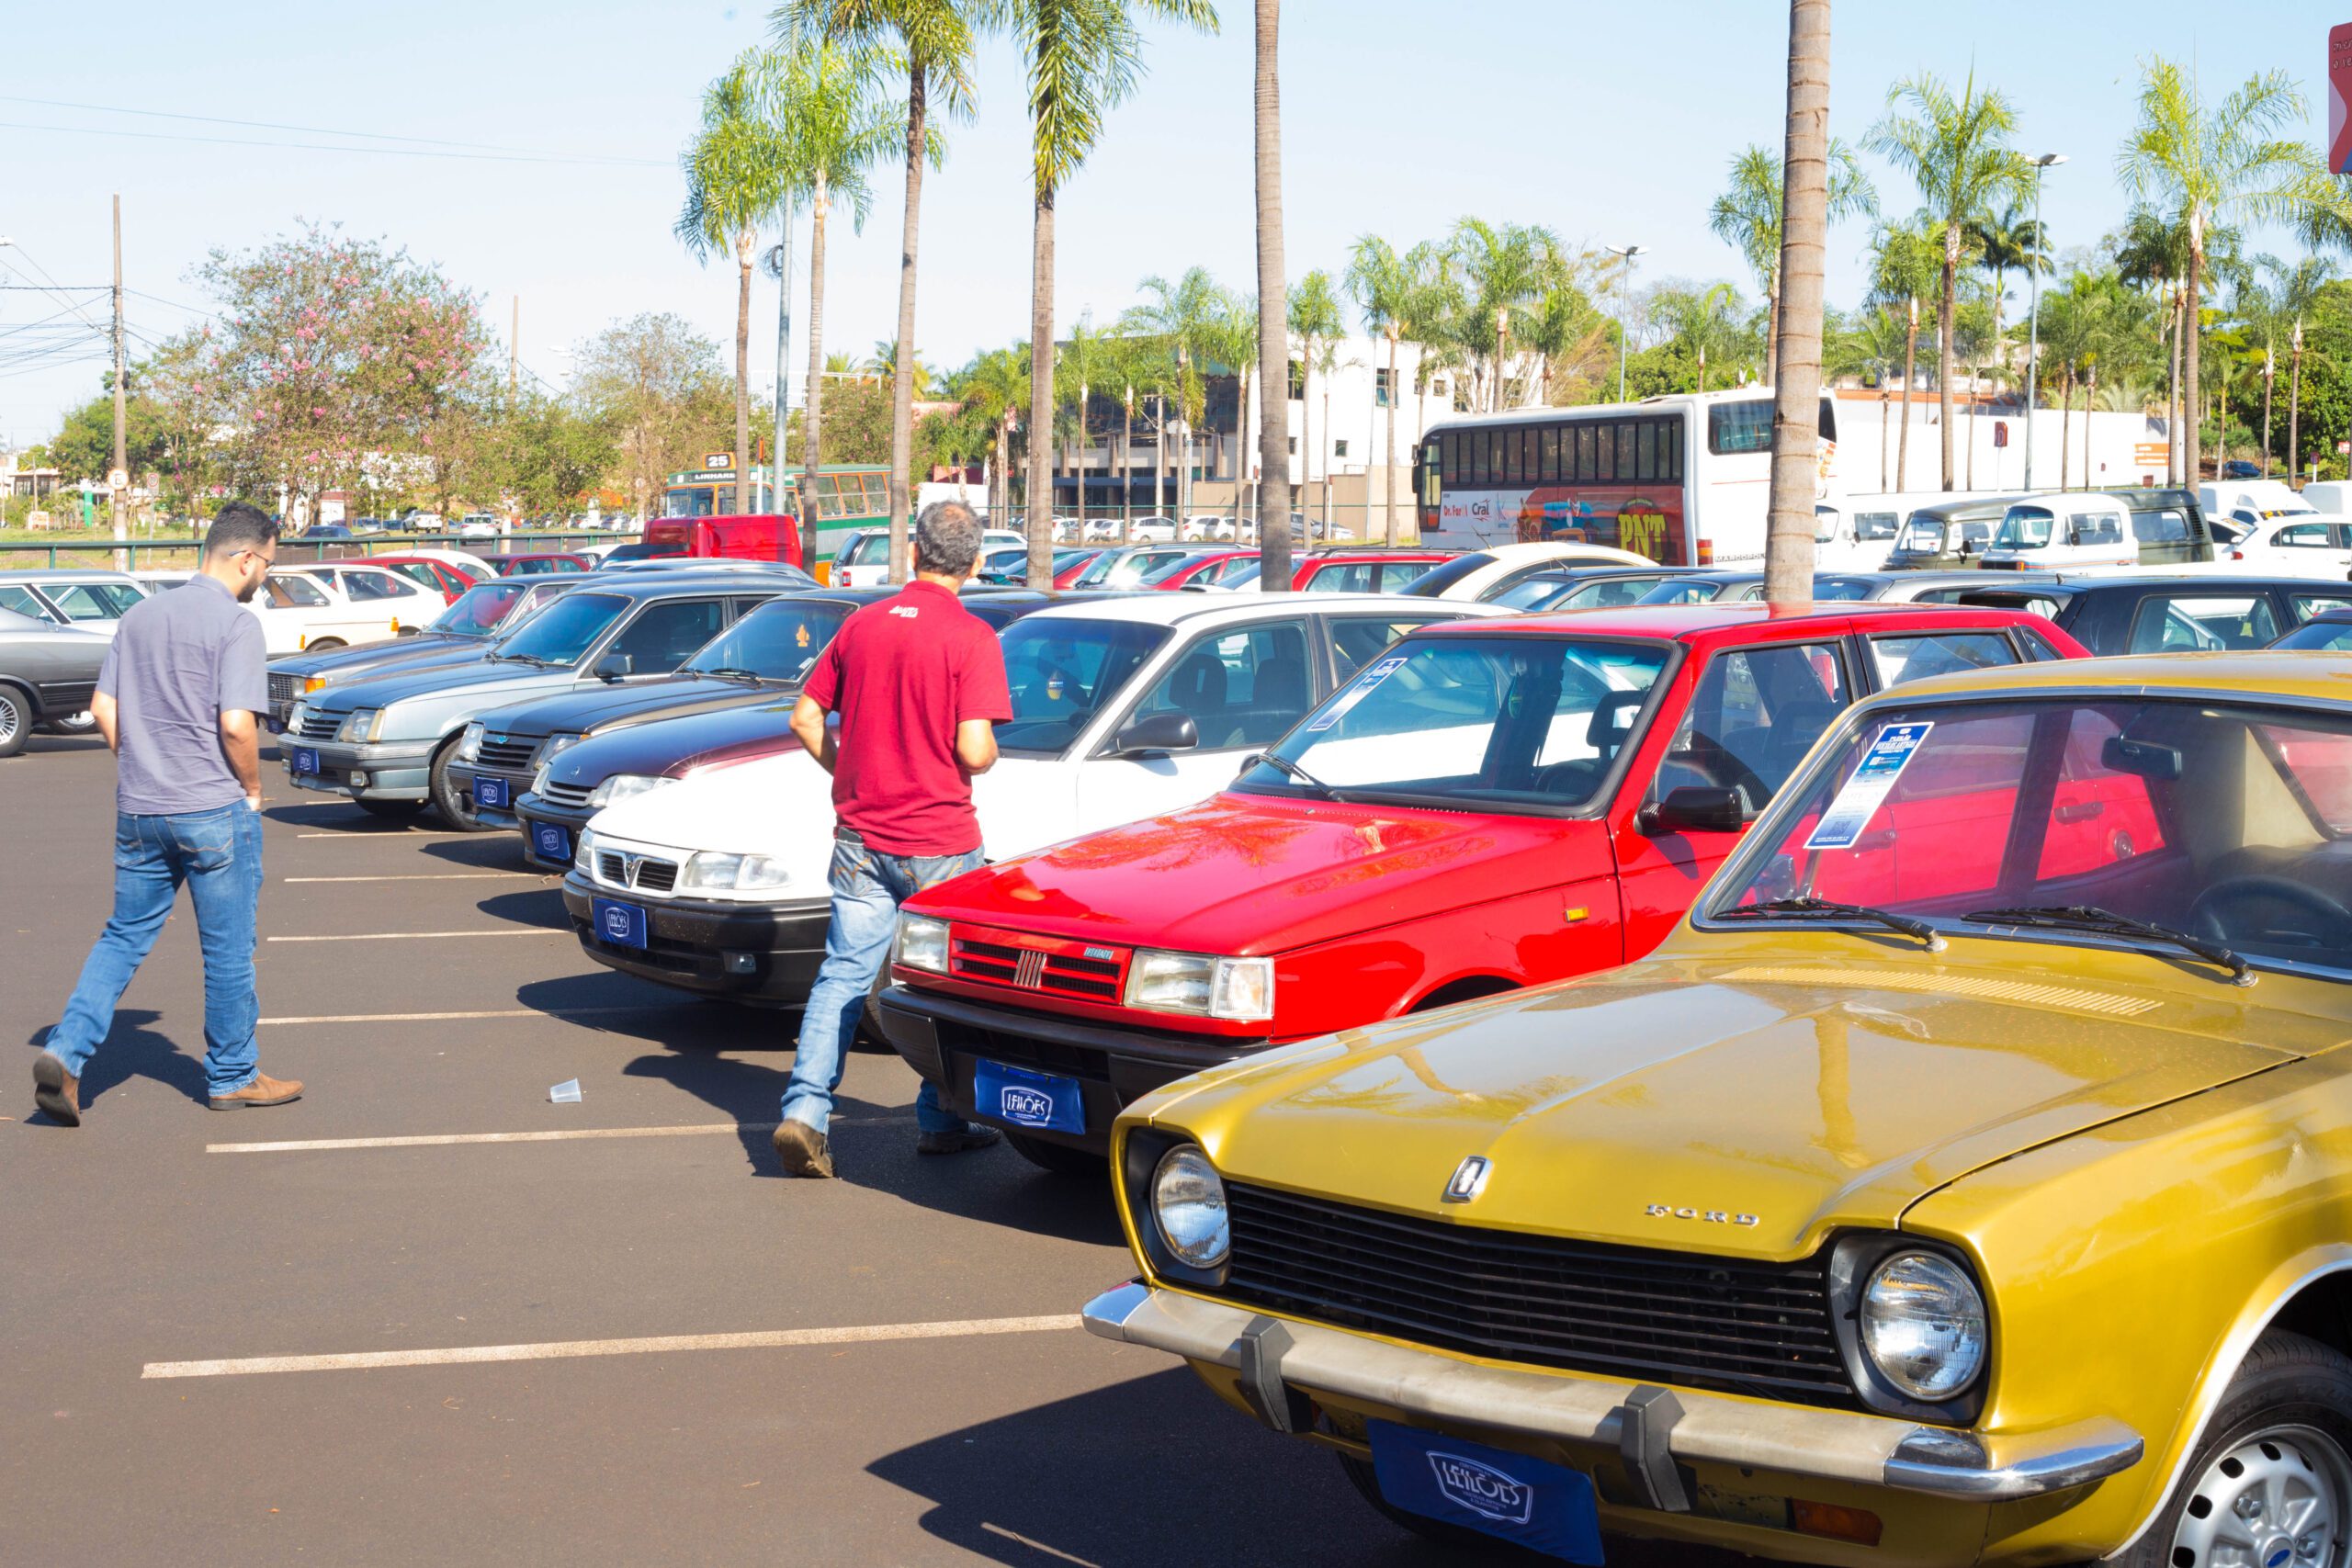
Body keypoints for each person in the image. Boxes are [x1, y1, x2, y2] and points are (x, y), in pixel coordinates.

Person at [32, 502, 304, 1125]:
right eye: (267, 563)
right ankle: (233, 1075)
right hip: (212, 810)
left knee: (124, 934)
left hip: (141, 809)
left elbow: (104, 708)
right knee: (228, 949)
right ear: (246, 558)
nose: (265, 575)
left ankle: (67, 1054)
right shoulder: (236, 625)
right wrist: (254, 790)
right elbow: (236, 724)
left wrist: (142, 763)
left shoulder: (139, 617)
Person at [773, 500, 1010, 1179]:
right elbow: (975, 750)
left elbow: (804, 718)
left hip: (860, 836)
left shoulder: (863, 624)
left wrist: (846, 767)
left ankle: (806, 1112)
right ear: (977, 562)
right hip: (940, 839)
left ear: (913, 551)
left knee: (843, 973)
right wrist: (987, 748)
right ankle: (941, 1118)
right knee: (946, 986)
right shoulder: (971, 638)